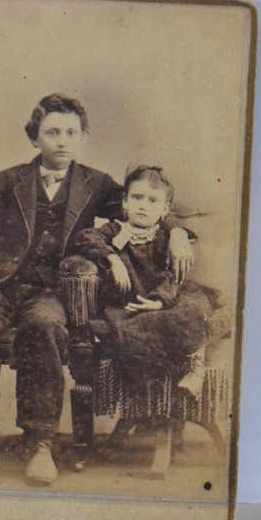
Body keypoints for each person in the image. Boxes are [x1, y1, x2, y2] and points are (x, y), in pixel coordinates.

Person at [0, 94, 194, 485]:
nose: (62, 140)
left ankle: (39, 442)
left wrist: (177, 231)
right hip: (3, 285)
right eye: (52, 132)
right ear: (35, 138)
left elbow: (144, 204)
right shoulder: (7, 180)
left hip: (53, 292)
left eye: (71, 133)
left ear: (82, 138)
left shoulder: (95, 183)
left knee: (44, 326)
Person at [75, 165, 212, 395]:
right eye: (137, 198)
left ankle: (195, 371)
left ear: (164, 209)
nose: (143, 206)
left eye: (152, 201)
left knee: (196, 311)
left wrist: (160, 301)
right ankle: (148, 384)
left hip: (165, 298)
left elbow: (173, 277)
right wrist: (111, 257)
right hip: (131, 302)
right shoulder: (115, 230)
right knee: (124, 327)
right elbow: (85, 237)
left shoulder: (164, 236)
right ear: (125, 203)